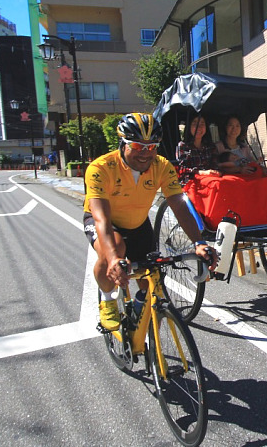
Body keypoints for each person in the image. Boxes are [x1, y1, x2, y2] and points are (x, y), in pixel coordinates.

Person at [84, 113, 217, 331]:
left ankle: (136, 313)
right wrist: (114, 258)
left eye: (152, 146)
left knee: (150, 281)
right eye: (137, 146)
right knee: (115, 249)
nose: (146, 153)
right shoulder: (101, 168)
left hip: (137, 223)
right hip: (106, 223)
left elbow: (179, 206)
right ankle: (107, 299)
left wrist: (198, 242)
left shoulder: (162, 166)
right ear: (123, 143)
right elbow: (102, 218)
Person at [176, 114, 220, 184]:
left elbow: (215, 165)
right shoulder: (183, 146)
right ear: (189, 126)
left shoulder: (210, 146)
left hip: (211, 179)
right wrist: (202, 172)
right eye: (195, 124)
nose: (199, 127)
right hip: (191, 181)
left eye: (202, 124)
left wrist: (216, 172)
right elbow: (182, 169)